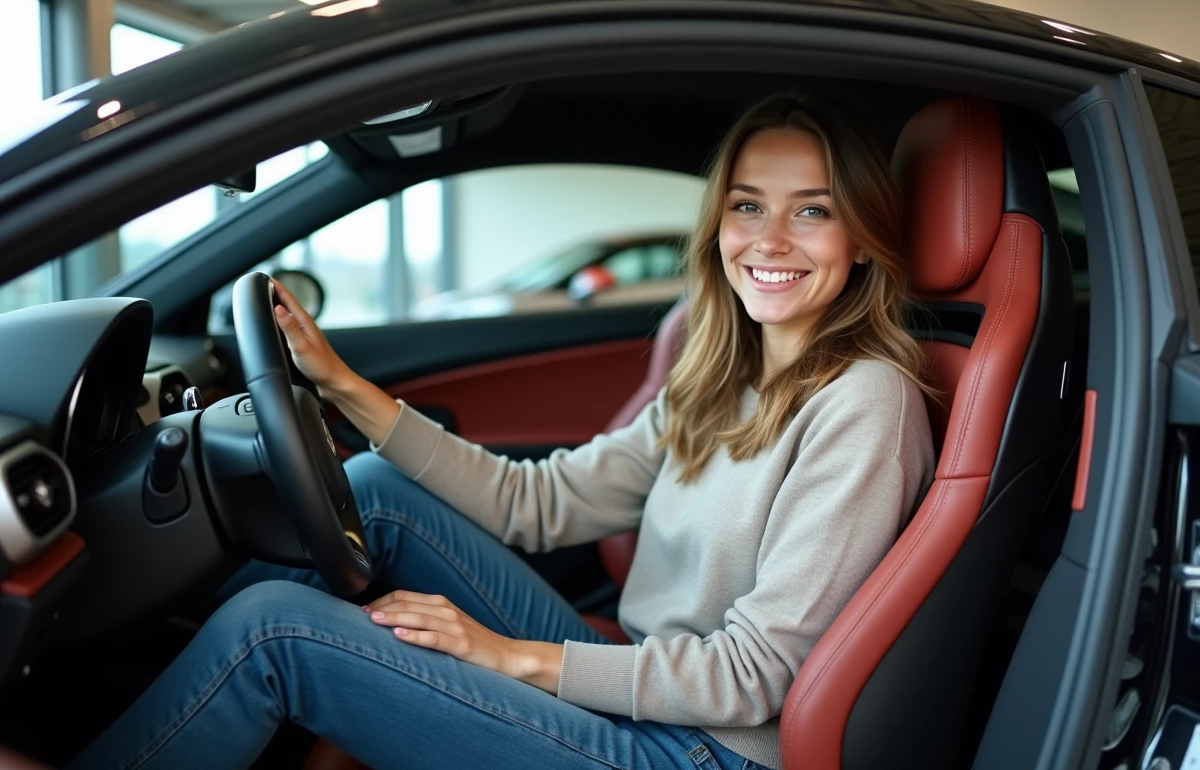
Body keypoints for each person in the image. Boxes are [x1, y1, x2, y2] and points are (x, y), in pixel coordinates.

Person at [70, 92, 934, 770]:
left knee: (275, 632)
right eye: (749, 205)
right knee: (374, 490)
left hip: (701, 751)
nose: (770, 238)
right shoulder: (722, 374)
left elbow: (755, 676)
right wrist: (340, 384)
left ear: (861, 237)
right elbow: (538, 505)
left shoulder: (863, 402)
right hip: (645, 681)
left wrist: (510, 658)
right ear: (718, 225)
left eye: (813, 211)